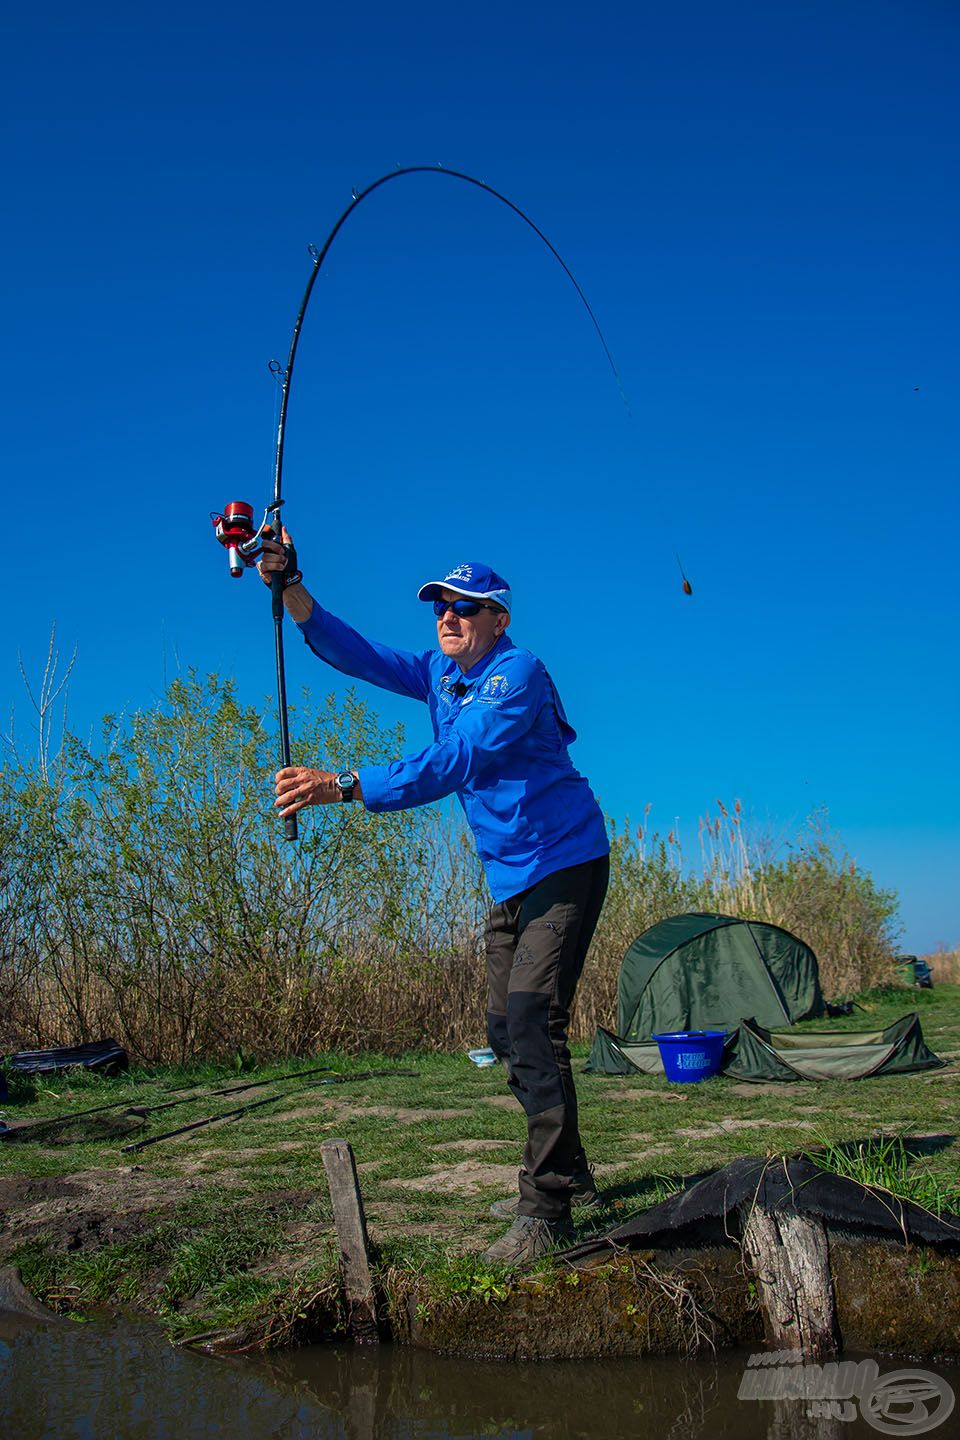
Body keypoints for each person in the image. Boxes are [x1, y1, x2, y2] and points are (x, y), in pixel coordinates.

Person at [258, 533, 610, 1263]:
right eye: (441, 607)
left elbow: (458, 759)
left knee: (532, 1018)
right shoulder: (437, 676)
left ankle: (545, 1209)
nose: (448, 617)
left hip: (566, 864)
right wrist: (292, 585)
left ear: (497, 620)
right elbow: (352, 651)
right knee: (508, 1033)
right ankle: (571, 1173)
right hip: (510, 877)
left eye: (466, 607)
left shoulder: (519, 675)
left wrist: (342, 785)